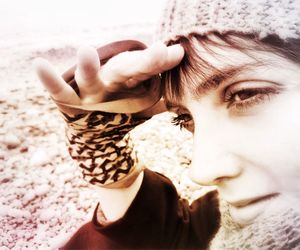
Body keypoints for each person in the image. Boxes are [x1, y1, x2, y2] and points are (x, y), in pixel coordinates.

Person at [35, 0, 300, 249]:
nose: (201, 171)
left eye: (246, 95)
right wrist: (102, 146)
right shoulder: (239, 223)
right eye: (184, 118)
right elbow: (165, 240)